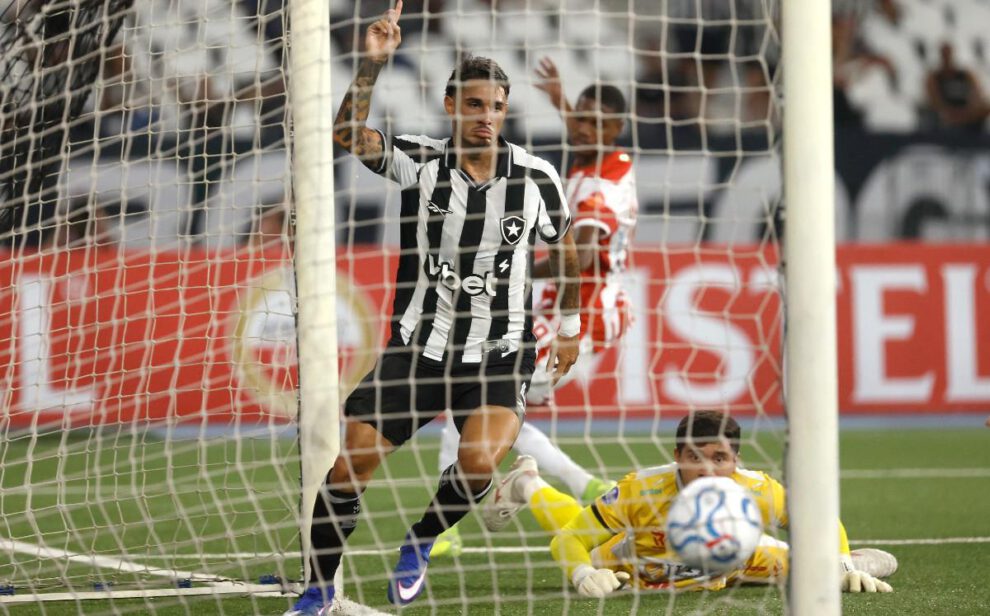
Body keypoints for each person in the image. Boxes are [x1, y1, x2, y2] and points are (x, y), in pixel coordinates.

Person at [285, 1, 582, 613]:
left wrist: (571, 327)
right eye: (473, 105)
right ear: (452, 106)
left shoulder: (536, 178)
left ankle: (420, 540)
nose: (486, 118)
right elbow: (347, 137)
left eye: (496, 107)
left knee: (476, 464)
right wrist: (370, 67)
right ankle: (317, 592)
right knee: (346, 471)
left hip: (500, 352)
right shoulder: (420, 162)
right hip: (416, 349)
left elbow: (568, 252)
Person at [430, 57, 637, 558]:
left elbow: (580, 257)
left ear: (615, 128)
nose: (580, 127)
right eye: (579, 117)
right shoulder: (610, 157)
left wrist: (509, 265)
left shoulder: (596, 190)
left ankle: (443, 525)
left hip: (581, 313)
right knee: (493, 402)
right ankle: (584, 484)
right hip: (581, 307)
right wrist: (562, 100)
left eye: (593, 122)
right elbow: (586, 128)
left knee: (480, 397)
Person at [482, 410, 898, 596]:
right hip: (636, 567)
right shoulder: (642, 490)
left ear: (736, 460)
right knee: (581, 530)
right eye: (695, 457)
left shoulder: (758, 489)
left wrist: (841, 564)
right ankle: (530, 484)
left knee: (832, 569)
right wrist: (581, 574)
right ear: (677, 456)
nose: (708, 468)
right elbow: (568, 540)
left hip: (736, 564)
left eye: (720, 458)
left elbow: (820, 521)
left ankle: (856, 563)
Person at [925, 42, 989, 132]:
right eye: (944, 54)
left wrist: (969, 110)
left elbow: (977, 93)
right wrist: (948, 111)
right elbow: (934, 98)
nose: (947, 57)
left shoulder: (965, 75)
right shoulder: (935, 77)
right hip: (946, 113)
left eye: (948, 53)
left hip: (966, 112)